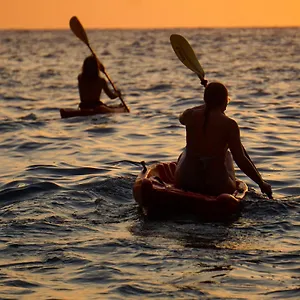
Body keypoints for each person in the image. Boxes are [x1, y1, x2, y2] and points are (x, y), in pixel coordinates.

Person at [175, 82, 273, 198]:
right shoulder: (229, 124)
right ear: (225, 101)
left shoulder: (190, 115)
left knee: (186, 152)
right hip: (216, 186)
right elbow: (240, 159)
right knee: (227, 154)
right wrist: (261, 183)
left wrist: (205, 105)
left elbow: (182, 118)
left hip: (187, 181)